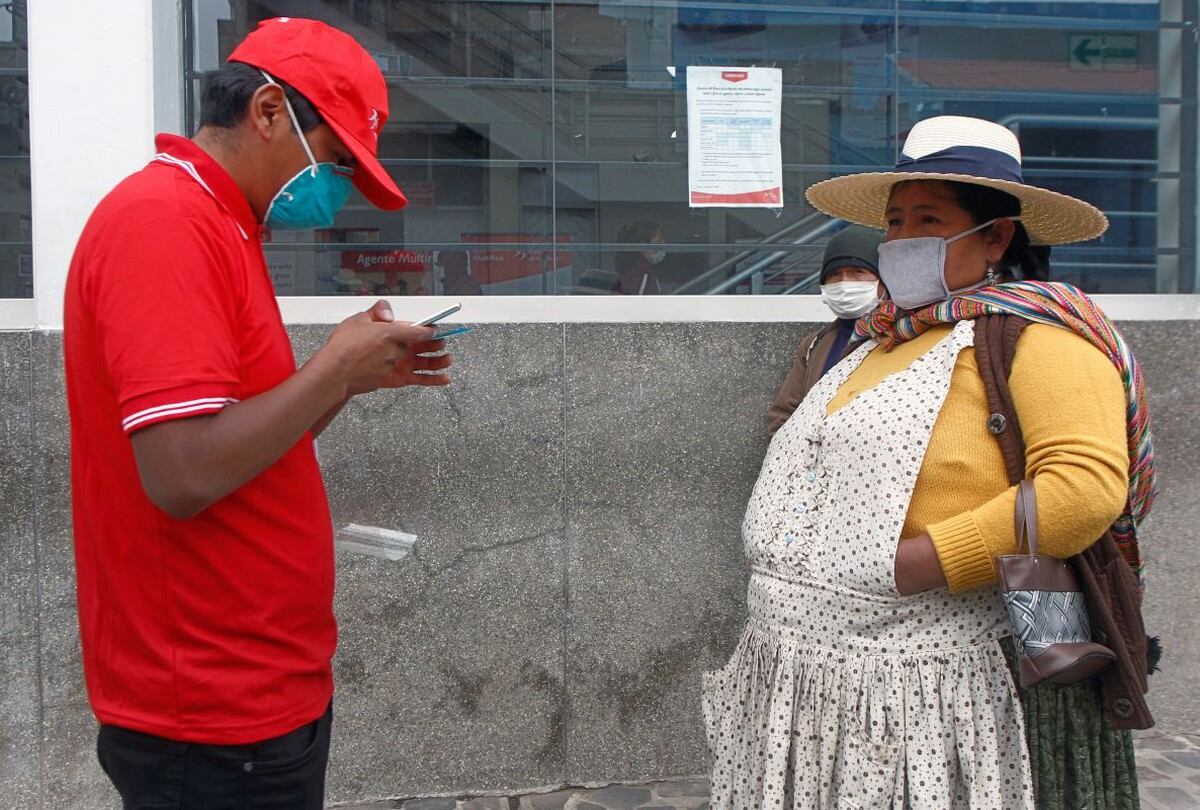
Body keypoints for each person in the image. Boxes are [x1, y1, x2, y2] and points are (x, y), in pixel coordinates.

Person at [703, 115, 1153, 808]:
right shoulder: (884, 338)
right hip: (810, 671)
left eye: (928, 219)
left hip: (929, 682)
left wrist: (908, 564)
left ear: (995, 235)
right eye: (895, 221)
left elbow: (1082, 491)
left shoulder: (1041, 338)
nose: (902, 240)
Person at [63, 18, 454, 809]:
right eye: (339, 162)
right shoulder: (165, 222)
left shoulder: (217, 221)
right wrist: (333, 367)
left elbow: (244, 439)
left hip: (253, 692)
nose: (339, 188)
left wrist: (346, 382)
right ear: (269, 111)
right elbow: (182, 473)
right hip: (209, 712)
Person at [766, 224, 884, 435]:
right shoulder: (814, 344)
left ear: (883, 281)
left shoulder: (899, 336)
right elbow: (784, 413)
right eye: (835, 274)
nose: (845, 283)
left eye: (858, 272)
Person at [613, 220, 665, 294]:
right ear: (643, 245)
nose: (663, 244)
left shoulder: (630, 269)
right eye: (658, 242)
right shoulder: (643, 274)